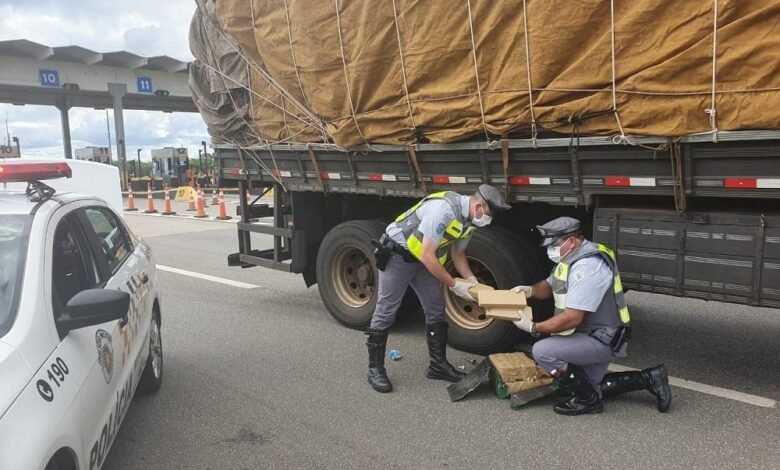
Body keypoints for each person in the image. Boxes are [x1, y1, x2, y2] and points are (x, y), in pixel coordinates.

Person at [511, 216, 671, 415]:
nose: (549, 250)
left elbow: (572, 318)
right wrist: (529, 291)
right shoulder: (569, 258)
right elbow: (548, 286)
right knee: (587, 384)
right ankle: (650, 378)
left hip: (603, 338)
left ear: (571, 242)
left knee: (543, 351)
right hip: (591, 333)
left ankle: (588, 402)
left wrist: (534, 328)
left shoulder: (587, 267)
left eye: (553, 245)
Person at [366, 185, 511, 393]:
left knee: (435, 308)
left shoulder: (469, 221)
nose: (488, 219)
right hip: (398, 256)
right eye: (489, 214)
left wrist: (471, 280)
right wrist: (454, 285)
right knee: (386, 310)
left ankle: (438, 366)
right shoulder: (443, 210)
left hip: (423, 261)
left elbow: (458, 254)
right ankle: (375, 369)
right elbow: (427, 254)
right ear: (479, 206)